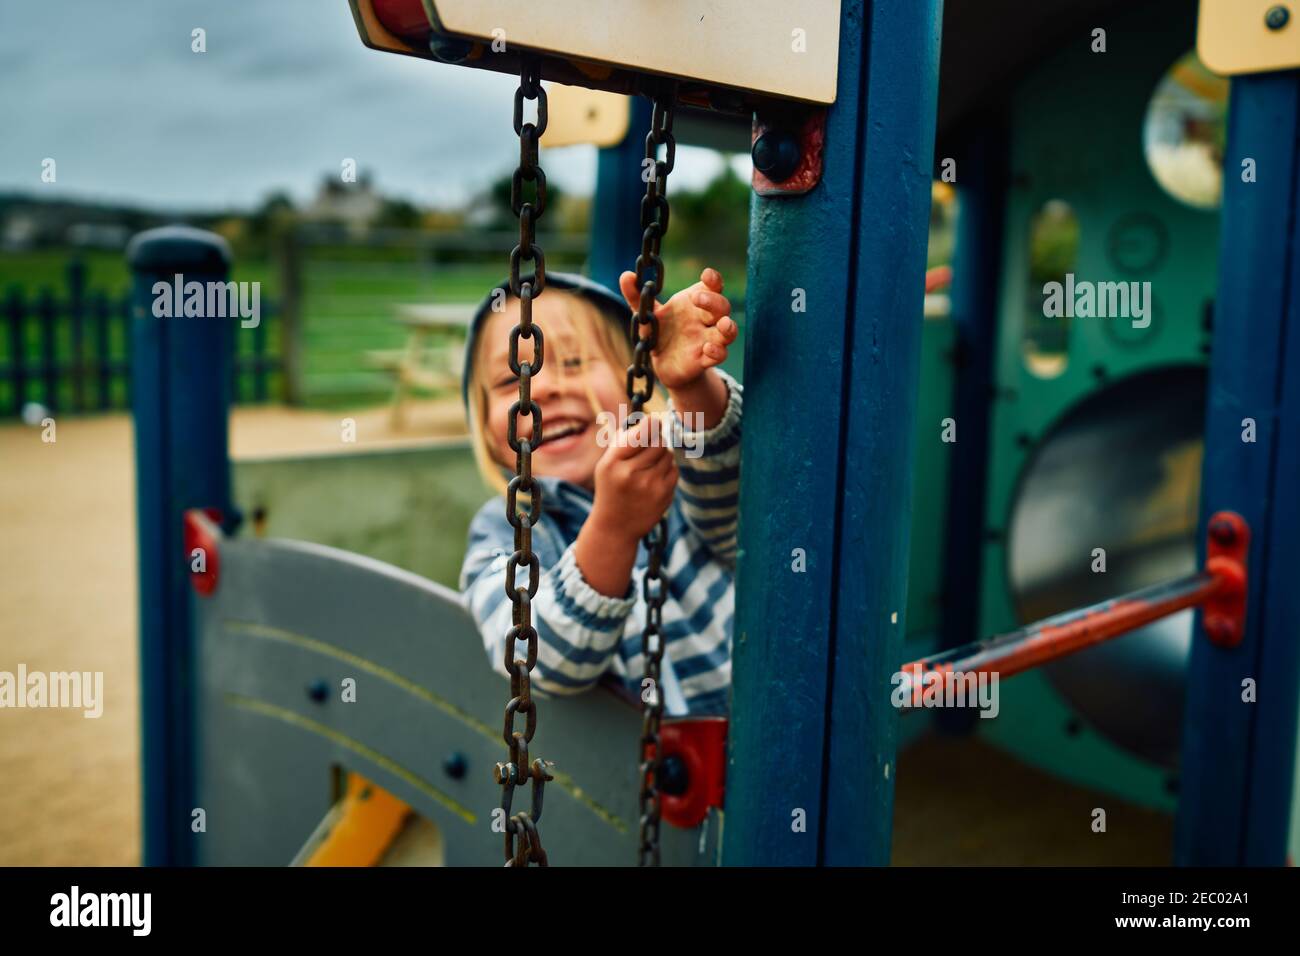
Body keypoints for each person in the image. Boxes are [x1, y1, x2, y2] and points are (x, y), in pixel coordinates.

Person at [459, 268, 741, 716]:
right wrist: (613, 529)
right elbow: (535, 661)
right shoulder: (501, 533)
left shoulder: (677, 460)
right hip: (628, 780)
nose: (544, 388)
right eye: (513, 379)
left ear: (635, 380)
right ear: (489, 431)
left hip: (760, 746)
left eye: (572, 362)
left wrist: (689, 388)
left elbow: (733, 496)